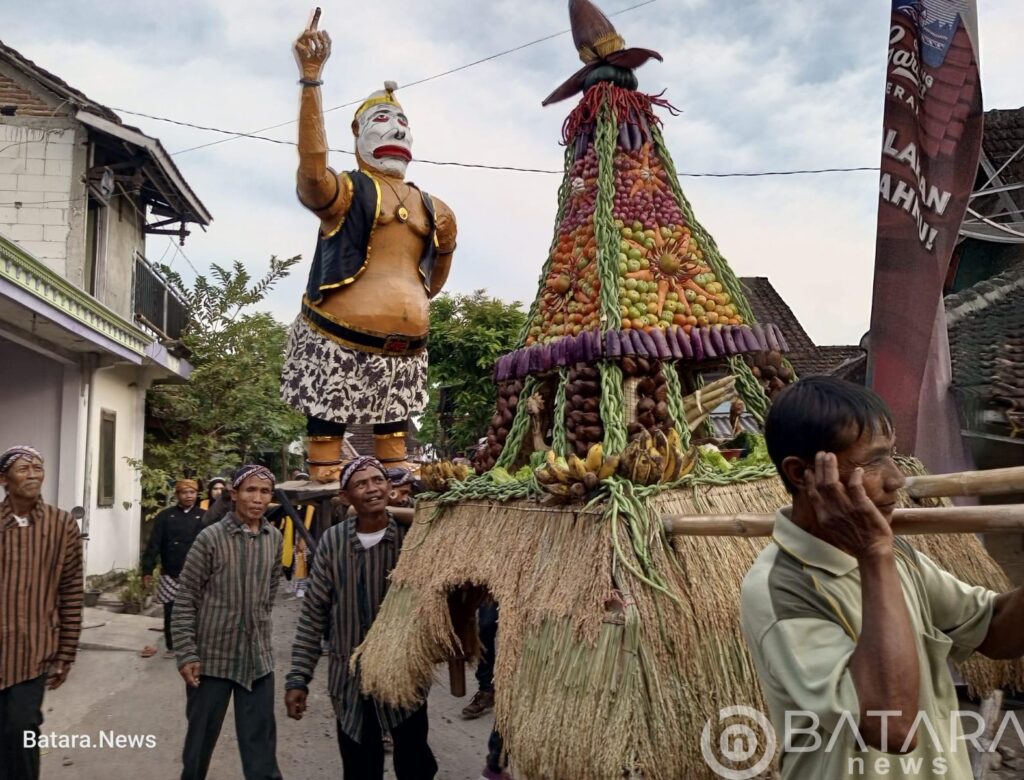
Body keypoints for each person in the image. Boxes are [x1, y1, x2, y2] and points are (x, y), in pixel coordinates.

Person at [740, 377, 1024, 780]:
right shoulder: (780, 586)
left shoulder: (897, 556)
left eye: (891, 456)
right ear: (802, 473)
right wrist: (874, 555)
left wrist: (879, 555)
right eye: (872, 462)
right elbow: (892, 726)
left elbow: (994, 631)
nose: (896, 480)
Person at [281, 12, 457, 480]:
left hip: (404, 351)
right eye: (383, 120)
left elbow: (434, 282)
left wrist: (444, 249)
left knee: (395, 462)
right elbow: (313, 173)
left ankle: (394, 474)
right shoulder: (350, 190)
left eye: (403, 122)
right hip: (336, 338)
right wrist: (311, 81)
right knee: (324, 456)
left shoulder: (432, 205)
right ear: (357, 135)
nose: (397, 129)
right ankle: (324, 472)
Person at [285, 456, 437, 779]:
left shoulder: (412, 541)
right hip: (350, 679)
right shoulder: (332, 542)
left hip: (403, 673)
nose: (372, 489)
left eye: (378, 480)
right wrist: (299, 677)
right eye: (361, 484)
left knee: (415, 764)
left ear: (389, 487)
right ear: (345, 497)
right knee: (360, 768)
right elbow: (314, 615)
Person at [172, 465, 284, 780]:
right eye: (250, 490)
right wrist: (186, 652)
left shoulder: (273, 538)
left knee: (262, 753)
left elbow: (270, 592)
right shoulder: (209, 538)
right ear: (234, 494)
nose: (257, 498)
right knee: (198, 750)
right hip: (212, 661)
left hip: (257, 661)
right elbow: (185, 599)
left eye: (264, 492)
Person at [0, 445, 82, 780]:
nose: (33, 474)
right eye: (23, 469)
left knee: (22, 728)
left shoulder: (61, 525)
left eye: (37, 467)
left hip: (33, 651)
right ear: (4, 479)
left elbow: (72, 591)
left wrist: (66, 651)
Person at [142, 479, 204, 658]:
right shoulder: (165, 516)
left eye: (192, 492)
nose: (188, 496)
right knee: (171, 611)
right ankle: (172, 646)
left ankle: (194, 646)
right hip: (170, 573)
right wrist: (147, 569)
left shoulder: (204, 516)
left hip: (196, 573)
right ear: (177, 495)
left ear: (196, 494)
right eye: (184, 492)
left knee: (196, 612)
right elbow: (154, 544)